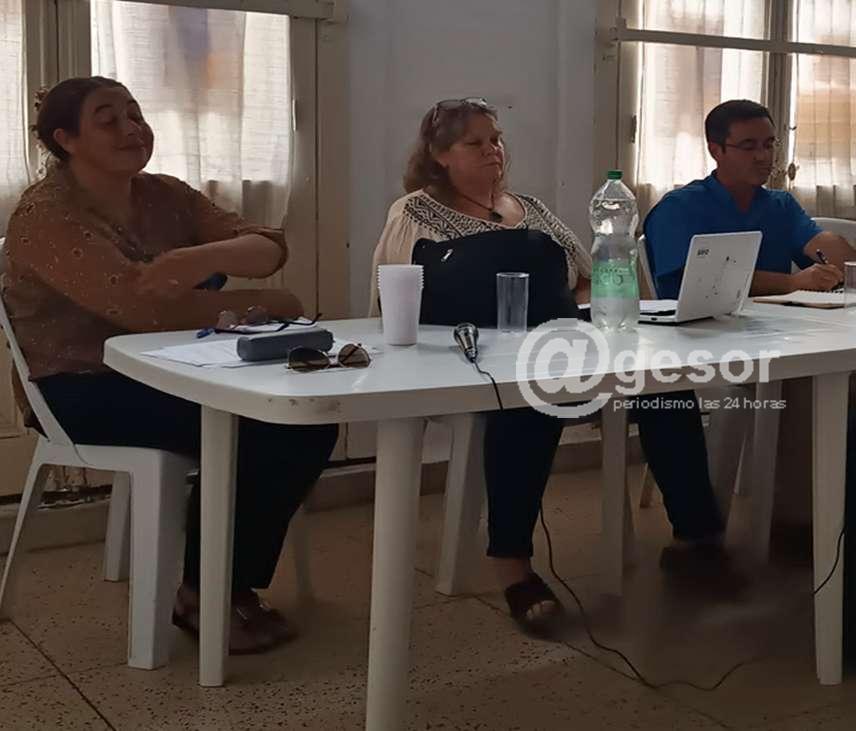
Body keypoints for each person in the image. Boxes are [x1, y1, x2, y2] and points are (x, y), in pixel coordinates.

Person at [371, 98, 734, 636]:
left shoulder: (531, 208)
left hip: (563, 345)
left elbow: (587, 277)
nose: (493, 150)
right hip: (474, 361)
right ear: (440, 154)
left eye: (496, 139)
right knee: (530, 400)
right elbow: (404, 299)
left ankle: (695, 539)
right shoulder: (416, 213)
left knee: (664, 384)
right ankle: (513, 567)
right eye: (475, 142)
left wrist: (585, 309)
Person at [1, 77, 337, 652]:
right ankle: (208, 594)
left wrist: (201, 257)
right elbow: (143, 310)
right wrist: (275, 303)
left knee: (306, 411)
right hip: (80, 386)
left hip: (182, 366)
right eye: (108, 120)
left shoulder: (165, 194)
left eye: (135, 114)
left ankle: (224, 582)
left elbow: (268, 245)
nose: (132, 129)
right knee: (259, 423)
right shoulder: (46, 214)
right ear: (66, 140)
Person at [643, 99, 856, 299]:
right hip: (695, 333)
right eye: (748, 147)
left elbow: (821, 243)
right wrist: (791, 283)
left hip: (773, 327)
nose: (763, 156)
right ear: (716, 151)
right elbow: (696, 281)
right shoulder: (679, 208)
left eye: (769, 145)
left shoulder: (779, 205)